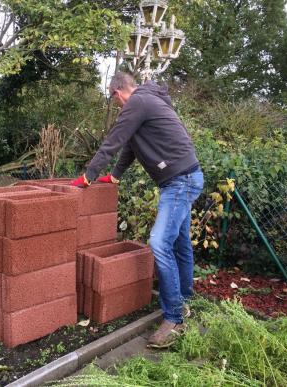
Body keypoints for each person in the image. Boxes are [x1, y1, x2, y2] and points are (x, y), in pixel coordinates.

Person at [71, 72, 203, 348]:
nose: (117, 105)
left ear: (117, 93)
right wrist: (115, 176)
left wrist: (88, 176)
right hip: (186, 177)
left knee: (159, 243)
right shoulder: (148, 101)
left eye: (114, 99)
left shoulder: (138, 102)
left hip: (179, 182)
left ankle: (175, 318)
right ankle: (185, 299)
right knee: (179, 243)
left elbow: (114, 140)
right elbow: (130, 145)